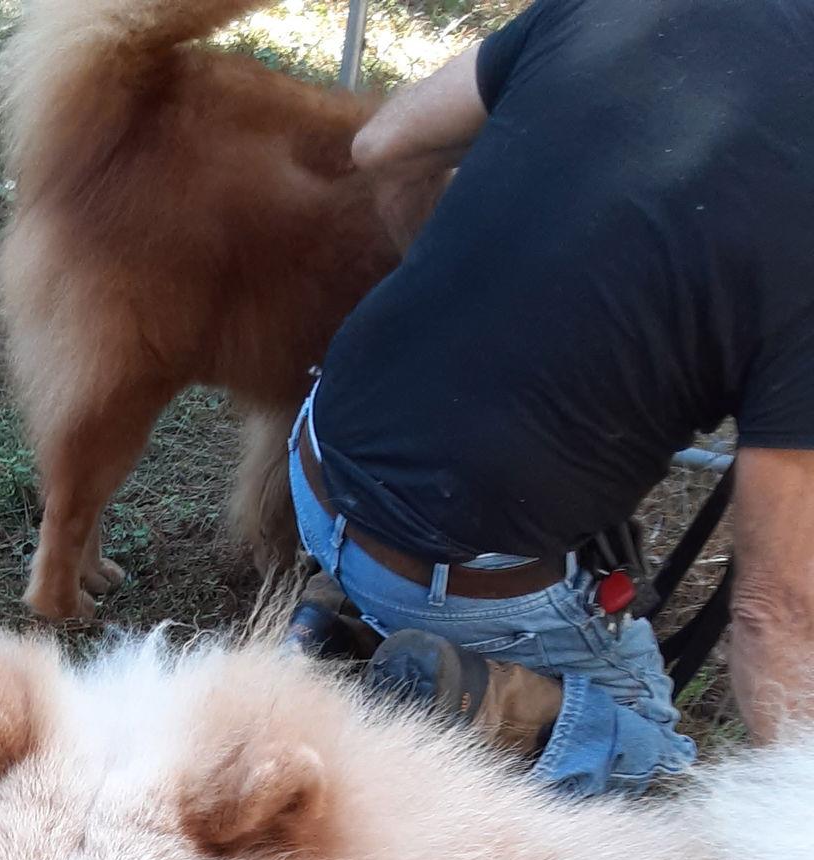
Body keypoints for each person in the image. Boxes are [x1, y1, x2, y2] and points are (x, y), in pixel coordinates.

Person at [287, 0, 814, 795]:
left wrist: (462, 304)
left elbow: (383, 144)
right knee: (662, 784)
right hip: (460, 572)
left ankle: (349, 630)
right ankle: (495, 705)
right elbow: (775, 612)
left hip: (319, 457)